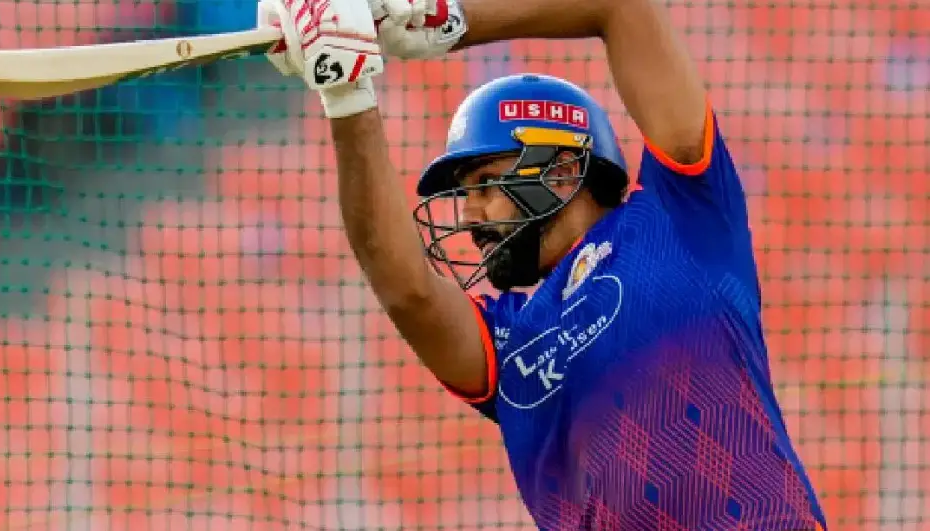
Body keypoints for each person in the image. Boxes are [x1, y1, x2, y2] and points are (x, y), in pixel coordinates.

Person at [256, 0, 829, 527]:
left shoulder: (682, 215)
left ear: (561, 172)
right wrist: (348, 92)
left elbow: (620, 7)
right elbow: (406, 288)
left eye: (485, 185)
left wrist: (446, 20)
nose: (469, 215)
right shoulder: (509, 341)